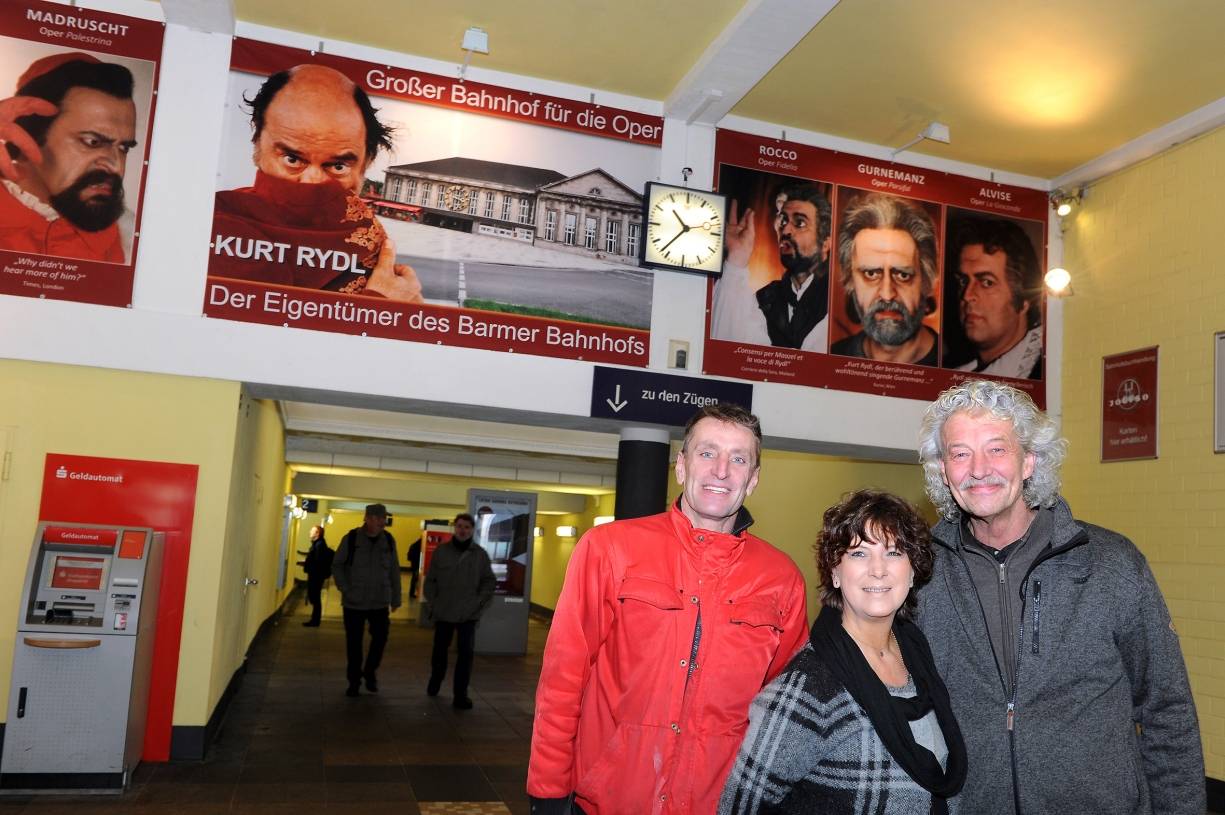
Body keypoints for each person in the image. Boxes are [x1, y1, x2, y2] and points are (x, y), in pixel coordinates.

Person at [916, 379, 1203, 813]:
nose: (978, 469)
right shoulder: (921, 574)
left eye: (997, 449)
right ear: (943, 470)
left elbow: (1167, 709)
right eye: (960, 454)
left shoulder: (1111, 563)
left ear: (1029, 461)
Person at [527, 403, 809, 815]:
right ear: (681, 466)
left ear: (752, 479)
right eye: (707, 453)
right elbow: (563, 679)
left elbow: (785, 707)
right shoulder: (610, 549)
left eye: (738, 459)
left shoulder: (781, 578)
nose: (721, 471)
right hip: (610, 800)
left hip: (718, 803)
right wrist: (548, 791)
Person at [720, 490, 966, 813]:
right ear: (835, 573)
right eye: (860, 553)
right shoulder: (809, 686)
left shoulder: (919, 657)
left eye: (893, 552)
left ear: (913, 572)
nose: (878, 569)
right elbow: (740, 806)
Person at [211, 64, 422, 300]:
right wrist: (379, 306)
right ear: (258, 144)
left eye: (338, 166)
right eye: (292, 159)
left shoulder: (375, 248)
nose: (312, 182)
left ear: (367, 162)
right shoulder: (216, 228)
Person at [0, 53, 137, 262]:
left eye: (124, 148)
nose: (116, 166)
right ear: (30, 133)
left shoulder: (133, 244)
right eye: (92, 142)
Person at [710, 183, 833, 352]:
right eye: (783, 220)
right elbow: (725, 349)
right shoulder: (765, 298)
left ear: (826, 243)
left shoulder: (838, 305)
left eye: (800, 223)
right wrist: (737, 258)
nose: (785, 230)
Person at [829, 192, 939, 365]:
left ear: (926, 282)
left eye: (903, 275)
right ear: (851, 281)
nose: (887, 295)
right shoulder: (833, 357)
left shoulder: (953, 362)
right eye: (871, 274)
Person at [944, 217, 1043, 379]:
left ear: (1024, 299)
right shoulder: (950, 369)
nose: (967, 296)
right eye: (963, 281)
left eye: (987, 283)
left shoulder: (1046, 370)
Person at [424, 513, 496, 710]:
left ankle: (460, 695)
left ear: (472, 530)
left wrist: (478, 603)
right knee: (439, 652)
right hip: (444, 612)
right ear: (454, 528)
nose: (463, 530)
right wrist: (434, 602)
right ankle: (435, 680)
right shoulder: (441, 552)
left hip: (468, 614)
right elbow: (431, 580)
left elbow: (489, 581)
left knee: (465, 656)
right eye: (460, 526)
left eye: (467, 527)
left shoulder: (480, 555)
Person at [332, 503, 401, 697]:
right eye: (379, 518)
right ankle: (354, 681)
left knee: (380, 638)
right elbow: (337, 565)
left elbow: (394, 570)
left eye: (384, 518)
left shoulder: (388, 540)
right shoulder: (351, 539)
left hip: (379, 601)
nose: (383, 522)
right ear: (368, 518)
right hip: (354, 601)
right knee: (354, 643)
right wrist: (346, 589)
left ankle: (370, 671)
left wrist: (395, 598)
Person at [301, 524, 333, 627]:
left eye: (312, 530)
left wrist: (309, 566)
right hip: (316, 575)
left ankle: (315, 620)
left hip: (316, 576)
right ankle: (314, 620)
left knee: (315, 597)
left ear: (317, 534)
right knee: (315, 597)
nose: (310, 532)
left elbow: (318, 561)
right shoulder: (318, 544)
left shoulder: (319, 545)